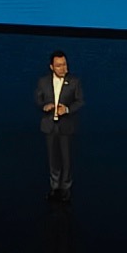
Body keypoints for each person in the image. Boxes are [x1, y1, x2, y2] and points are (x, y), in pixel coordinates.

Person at [36, 53, 81, 195]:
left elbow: (80, 101)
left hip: (66, 126)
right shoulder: (43, 82)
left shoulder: (74, 82)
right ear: (52, 67)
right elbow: (38, 99)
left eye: (64, 64)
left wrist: (67, 109)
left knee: (66, 159)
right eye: (59, 65)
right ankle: (54, 187)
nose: (63, 68)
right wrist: (44, 106)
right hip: (49, 126)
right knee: (53, 158)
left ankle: (66, 189)